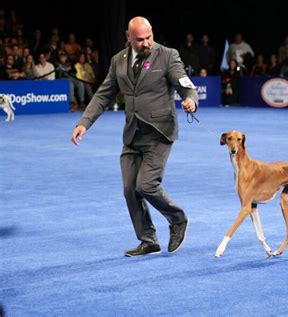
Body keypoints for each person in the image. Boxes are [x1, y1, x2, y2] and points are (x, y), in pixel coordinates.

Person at [71, 16, 198, 257]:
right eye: (140, 39)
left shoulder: (168, 55)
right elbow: (103, 94)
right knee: (130, 189)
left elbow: (185, 85)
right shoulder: (118, 60)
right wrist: (84, 123)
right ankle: (148, 240)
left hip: (160, 132)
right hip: (132, 134)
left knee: (146, 185)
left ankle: (177, 218)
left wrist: (190, 99)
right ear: (128, 37)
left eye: (149, 37)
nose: (146, 42)